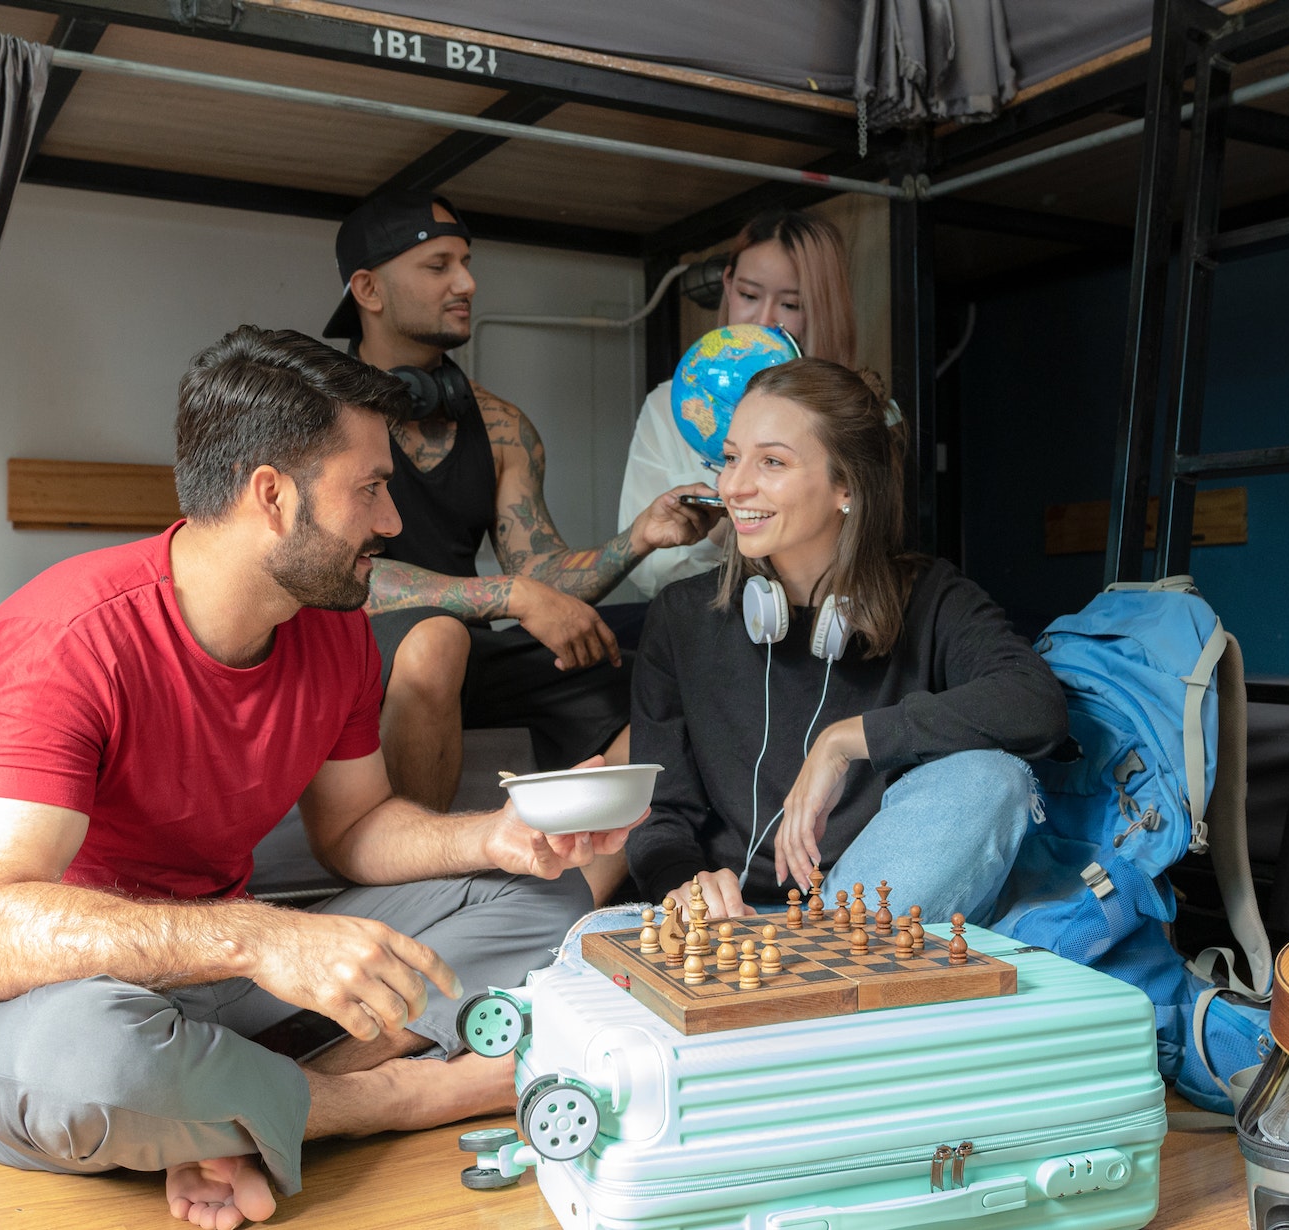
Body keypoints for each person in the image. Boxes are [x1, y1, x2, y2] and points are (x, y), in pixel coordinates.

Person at [0, 327, 632, 1230]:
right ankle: (399, 1097)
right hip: (56, 1005)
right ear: (272, 495)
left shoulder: (327, 624)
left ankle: (235, 1111)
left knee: (548, 896)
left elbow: (355, 827)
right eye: (371, 489)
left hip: (225, 988)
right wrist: (262, 940)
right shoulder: (62, 640)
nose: (392, 521)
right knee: (97, 1068)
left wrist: (491, 836)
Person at [320, 191, 717, 822]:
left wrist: (640, 536)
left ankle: (598, 880)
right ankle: (418, 872)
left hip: (470, 651)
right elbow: (345, 578)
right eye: (438, 265)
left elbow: (540, 575)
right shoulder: (321, 419)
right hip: (352, 653)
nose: (467, 282)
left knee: (672, 672)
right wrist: (510, 597)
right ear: (367, 289)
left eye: (467, 263)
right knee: (436, 641)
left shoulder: (503, 427)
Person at [625, 358, 1068, 922]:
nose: (734, 486)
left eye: (772, 462)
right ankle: (808, 982)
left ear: (848, 487)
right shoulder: (681, 615)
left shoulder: (932, 597)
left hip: (871, 911)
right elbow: (661, 812)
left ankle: (824, 966)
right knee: (599, 941)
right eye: (732, 458)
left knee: (993, 780)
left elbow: (1036, 704)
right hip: (734, 924)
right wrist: (684, 885)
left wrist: (843, 742)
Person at [617, 209, 859, 601]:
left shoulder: (860, 414)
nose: (762, 320)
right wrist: (720, 528)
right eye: (748, 295)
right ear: (727, 286)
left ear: (822, 308)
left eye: (791, 305)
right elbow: (648, 573)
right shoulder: (671, 404)